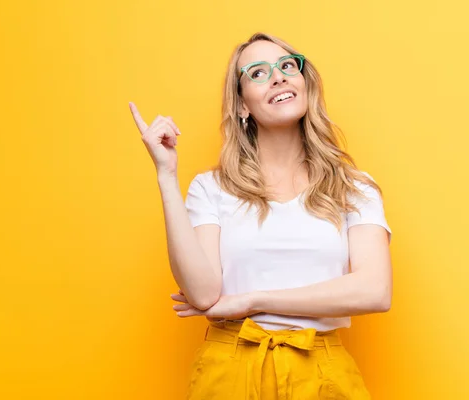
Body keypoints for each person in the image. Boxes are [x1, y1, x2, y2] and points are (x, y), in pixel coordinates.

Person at [129, 32, 392, 400]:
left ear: (304, 83)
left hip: (321, 370)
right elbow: (203, 293)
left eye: (287, 66)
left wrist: (253, 301)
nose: (279, 76)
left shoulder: (354, 187)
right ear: (241, 106)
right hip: (230, 368)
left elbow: (375, 291)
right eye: (258, 72)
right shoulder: (211, 188)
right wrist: (167, 175)